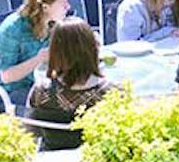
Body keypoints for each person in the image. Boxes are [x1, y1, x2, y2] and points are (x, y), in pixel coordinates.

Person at [26, 17, 116, 146]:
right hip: (96, 160)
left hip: (51, 159)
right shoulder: (110, 93)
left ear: (55, 52)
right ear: (92, 49)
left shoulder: (40, 91)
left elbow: (29, 133)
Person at [0, 0, 71, 106]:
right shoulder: (13, 28)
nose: (68, 7)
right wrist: (39, 59)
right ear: (45, 7)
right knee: (62, 104)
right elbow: (6, 76)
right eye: (63, 3)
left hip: (39, 85)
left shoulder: (53, 24)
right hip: (8, 93)